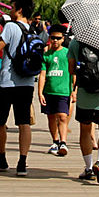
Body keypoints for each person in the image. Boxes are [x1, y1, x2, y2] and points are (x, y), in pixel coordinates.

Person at [0, 0, 37, 177]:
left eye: (12, 7)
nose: (10, 10)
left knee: (0, 121)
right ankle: (22, 163)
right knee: (24, 123)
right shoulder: (33, 30)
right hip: (27, 82)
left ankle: (1, 158)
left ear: (19, 10)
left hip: (7, 81)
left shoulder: (11, 27)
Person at [68, 40, 99, 186]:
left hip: (84, 93)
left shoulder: (75, 43)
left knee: (85, 129)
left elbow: (71, 70)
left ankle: (89, 168)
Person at [37, 24, 72, 156]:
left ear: (63, 39)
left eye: (58, 38)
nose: (55, 40)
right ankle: (55, 141)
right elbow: (43, 74)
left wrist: (74, 90)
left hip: (63, 90)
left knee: (63, 116)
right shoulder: (47, 55)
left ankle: (63, 142)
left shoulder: (68, 53)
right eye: (53, 38)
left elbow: (73, 72)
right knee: (51, 117)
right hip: (49, 90)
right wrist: (40, 92)